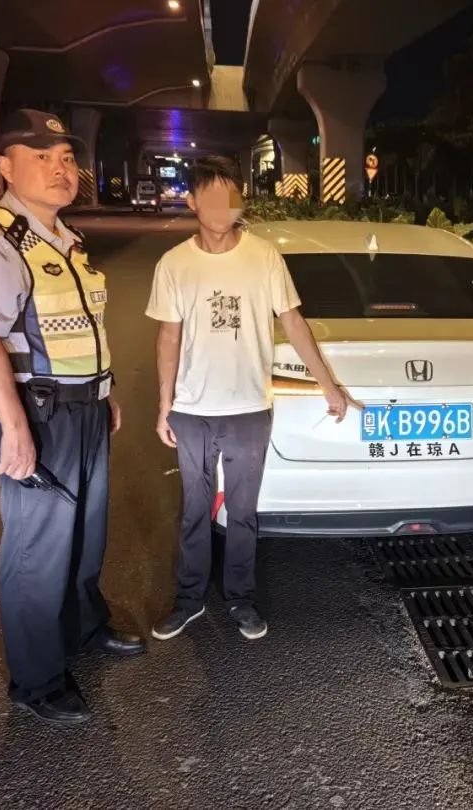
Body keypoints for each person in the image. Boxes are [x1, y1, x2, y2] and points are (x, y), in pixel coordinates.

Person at [0, 109, 145, 726]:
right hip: (38, 411)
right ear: (5, 167)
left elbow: (82, 326)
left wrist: (106, 391)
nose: (61, 169)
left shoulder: (65, 237)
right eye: (42, 157)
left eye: (66, 158)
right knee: (37, 547)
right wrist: (14, 430)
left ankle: (84, 625)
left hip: (87, 405)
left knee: (86, 531)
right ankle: (36, 681)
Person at [145, 156, 353, 642]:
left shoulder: (264, 257)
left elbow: (293, 322)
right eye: (212, 197)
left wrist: (328, 384)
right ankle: (189, 599)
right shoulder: (174, 263)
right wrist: (164, 404)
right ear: (192, 202)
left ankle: (240, 598)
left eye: (231, 197)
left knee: (242, 512)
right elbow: (168, 337)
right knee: (195, 509)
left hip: (248, 408)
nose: (223, 207)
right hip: (192, 409)